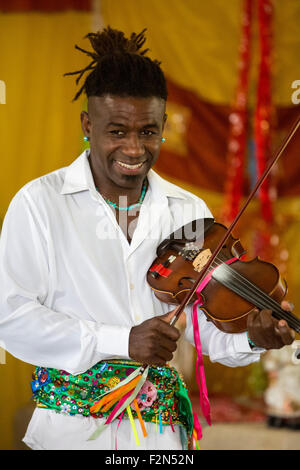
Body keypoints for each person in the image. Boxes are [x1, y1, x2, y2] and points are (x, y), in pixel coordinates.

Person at [0, 27, 295, 451]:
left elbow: (200, 326)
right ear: (88, 124)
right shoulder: (39, 203)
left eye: (149, 132)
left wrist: (253, 338)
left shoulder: (187, 210)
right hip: (69, 435)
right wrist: (122, 340)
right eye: (117, 132)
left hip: (161, 440)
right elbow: (11, 319)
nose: (135, 149)